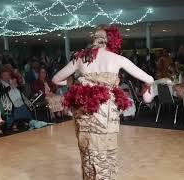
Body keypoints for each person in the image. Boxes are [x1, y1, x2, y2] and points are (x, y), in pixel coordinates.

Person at [52, 25, 154, 180]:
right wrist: (148, 89)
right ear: (111, 41)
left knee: (88, 153)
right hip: (107, 113)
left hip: (85, 112)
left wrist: (80, 83)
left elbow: (56, 79)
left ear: (93, 39)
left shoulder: (80, 58)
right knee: (106, 153)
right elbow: (149, 79)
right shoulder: (118, 59)